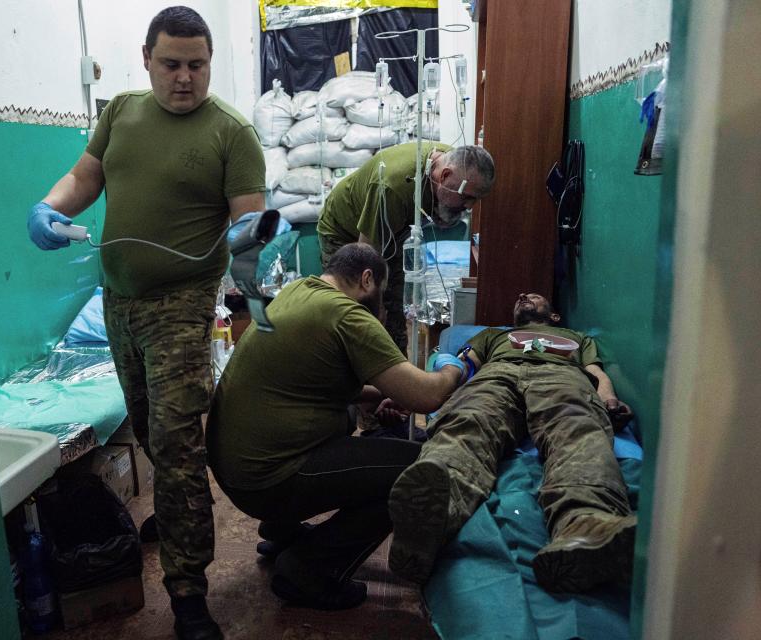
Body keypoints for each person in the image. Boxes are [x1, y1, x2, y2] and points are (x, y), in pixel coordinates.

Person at [26, 7, 265, 639]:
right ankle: (174, 513)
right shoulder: (121, 112)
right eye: (172, 64)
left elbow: (249, 217)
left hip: (182, 302)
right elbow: (86, 176)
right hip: (118, 298)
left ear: (209, 64)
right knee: (146, 421)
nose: (184, 78)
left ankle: (188, 591)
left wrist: (249, 235)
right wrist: (48, 207)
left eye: (197, 65)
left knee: (177, 436)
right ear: (146, 58)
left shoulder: (232, 133)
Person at [206, 243, 471, 610]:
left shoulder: (299, 290)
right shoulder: (348, 316)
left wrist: (382, 393)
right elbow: (427, 396)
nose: (382, 307)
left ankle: (282, 531)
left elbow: (313, 382)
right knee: (421, 470)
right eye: (381, 295)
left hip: (236, 467)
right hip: (267, 479)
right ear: (367, 279)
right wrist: (457, 364)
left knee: (348, 419)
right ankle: (307, 571)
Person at [388, 293, 637, 592]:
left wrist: (609, 400)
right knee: (469, 420)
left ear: (554, 316)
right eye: (519, 297)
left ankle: (586, 524)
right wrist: (428, 385)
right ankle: (433, 512)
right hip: (497, 374)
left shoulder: (576, 338)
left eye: (533, 296)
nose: (522, 296)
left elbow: (596, 374)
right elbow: (463, 366)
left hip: (561, 375)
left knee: (577, 428)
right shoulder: (492, 335)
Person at [316, 142, 495, 354]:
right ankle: (350, 373)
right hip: (344, 232)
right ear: (445, 176)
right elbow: (363, 259)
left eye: (476, 199)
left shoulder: (457, 161)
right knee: (354, 307)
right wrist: (375, 305)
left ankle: (394, 369)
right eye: (466, 197)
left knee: (394, 308)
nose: (469, 206)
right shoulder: (394, 186)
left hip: (393, 233)